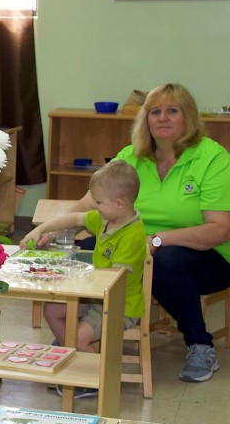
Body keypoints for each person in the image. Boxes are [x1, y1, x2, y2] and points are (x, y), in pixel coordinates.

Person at [75, 83, 230, 383]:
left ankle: (200, 344)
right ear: (146, 119)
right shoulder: (131, 156)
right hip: (139, 247)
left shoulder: (213, 158)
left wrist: (158, 239)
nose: (162, 118)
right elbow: (90, 203)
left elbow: (221, 229)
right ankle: (81, 338)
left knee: (165, 262)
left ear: (188, 117)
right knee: (85, 252)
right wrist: (54, 229)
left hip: (210, 256)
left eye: (172, 111)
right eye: (155, 112)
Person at [21, 160, 147, 398]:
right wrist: (41, 230)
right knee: (53, 309)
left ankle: (89, 376)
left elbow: (113, 281)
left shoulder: (133, 235)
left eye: (99, 202)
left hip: (120, 305)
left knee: (78, 336)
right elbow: (75, 219)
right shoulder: (107, 218)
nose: (95, 207)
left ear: (120, 203)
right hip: (97, 297)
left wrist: (77, 280)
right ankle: (74, 352)